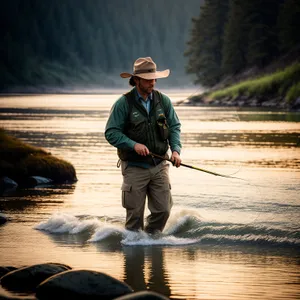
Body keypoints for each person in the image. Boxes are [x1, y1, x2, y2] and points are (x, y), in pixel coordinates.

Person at [105, 57, 182, 234]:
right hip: (133, 167)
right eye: (148, 80)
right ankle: (134, 253)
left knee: (163, 210)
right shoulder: (123, 103)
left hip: (160, 165)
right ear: (136, 80)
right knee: (134, 218)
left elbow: (175, 127)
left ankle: (151, 241)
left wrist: (176, 151)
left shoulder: (164, 101)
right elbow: (111, 133)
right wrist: (133, 145)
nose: (152, 83)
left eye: (154, 79)